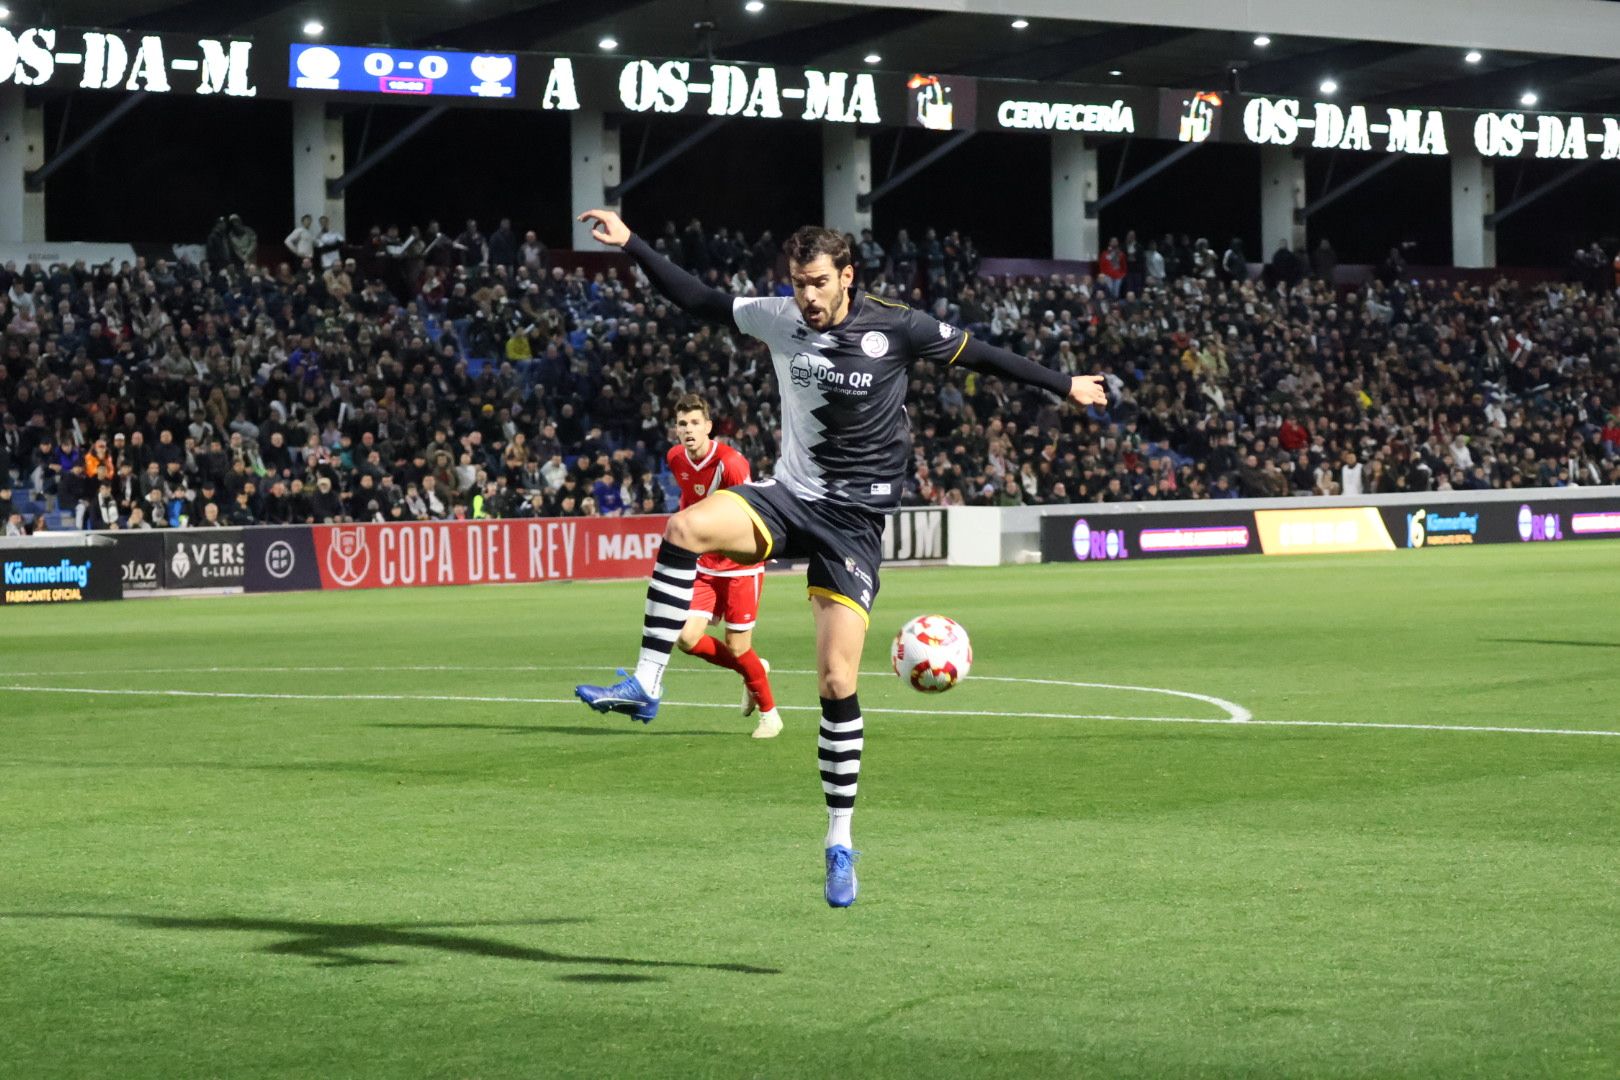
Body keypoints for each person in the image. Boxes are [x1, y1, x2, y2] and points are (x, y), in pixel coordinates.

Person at [572, 208, 1107, 907]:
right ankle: (647, 684)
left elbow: (981, 353)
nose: (809, 298)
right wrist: (635, 243)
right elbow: (699, 300)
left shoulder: (899, 326)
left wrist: (1064, 383)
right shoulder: (777, 317)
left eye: (820, 283)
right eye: (799, 284)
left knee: (833, 681)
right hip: (790, 497)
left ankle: (839, 840)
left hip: (853, 525)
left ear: (848, 277)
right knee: (683, 529)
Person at [665, 393, 783, 740]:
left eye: (695, 423)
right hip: (703, 564)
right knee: (686, 638)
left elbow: (750, 511)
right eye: (683, 424)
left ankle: (770, 715)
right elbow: (689, 498)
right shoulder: (675, 458)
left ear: (709, 427)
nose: (689, 430)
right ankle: (752, 671)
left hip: (739, 567)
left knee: (737, 646)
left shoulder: (731, 463)